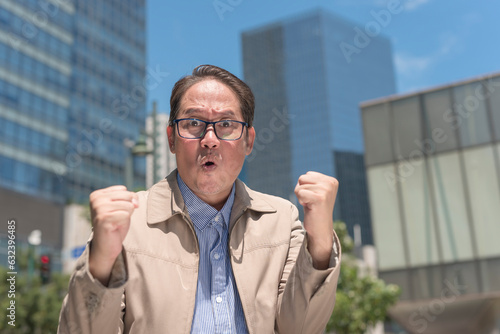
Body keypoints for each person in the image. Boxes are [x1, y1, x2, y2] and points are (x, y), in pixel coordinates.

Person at [58, 65, 341, 334]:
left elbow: (301, 328)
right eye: (193, 123)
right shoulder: (126, 223)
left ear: (248, 141)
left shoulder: (281, 220)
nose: (209, 139)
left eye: (226, 124)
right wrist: (100, 265)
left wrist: (319, 243)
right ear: (171, 138)